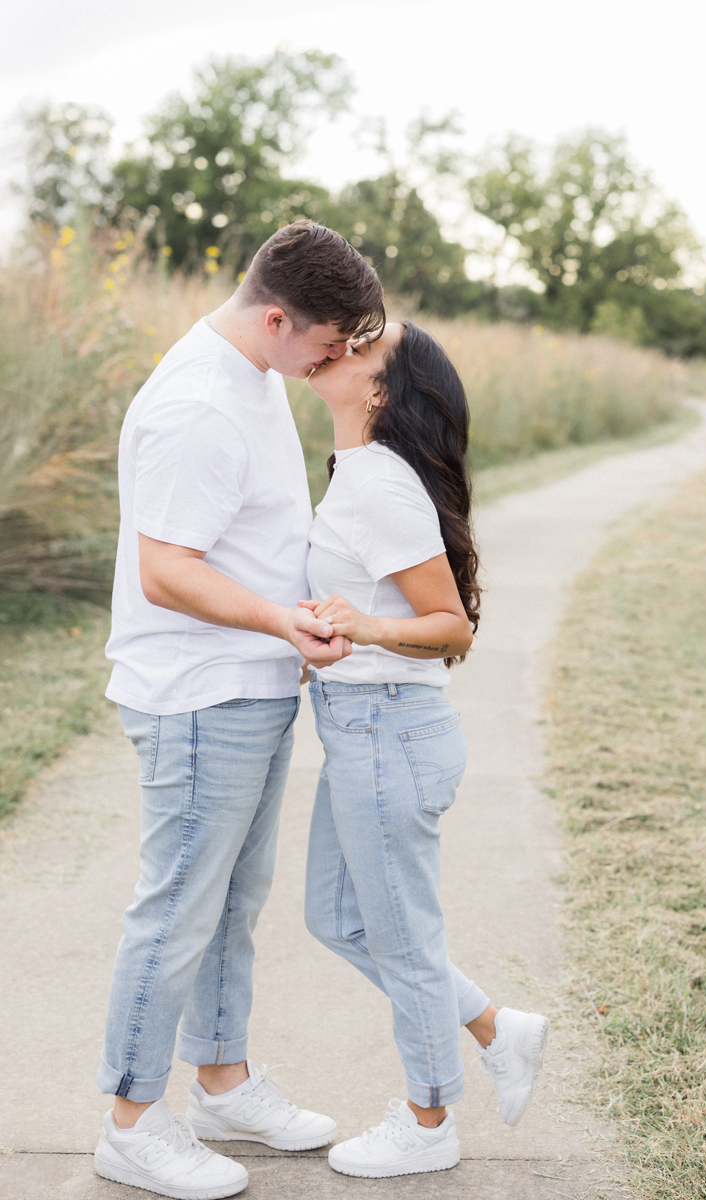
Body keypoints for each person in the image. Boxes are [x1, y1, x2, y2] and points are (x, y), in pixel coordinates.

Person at [93, 221, 383, 1200]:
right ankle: (130, 1123)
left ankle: (221, 1080)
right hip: (195, 698)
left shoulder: (255, 374)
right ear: (275, 316)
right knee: (176, 911)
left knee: (230, 906)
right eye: (326, 344)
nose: (332, 362)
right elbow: (166, 570)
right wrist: (280, 622)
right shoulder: (197, 407)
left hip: (248, 685)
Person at [302, 320, 551, 1179]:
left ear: (381, 391)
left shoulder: (382, 487)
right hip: (364, 730)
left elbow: (451, 628)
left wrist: (366, 628)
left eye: (368, 347)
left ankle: (429, 1120)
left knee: (403, 936)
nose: (344, 345)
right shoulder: (359, 476)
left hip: (390, 733)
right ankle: (493, 1028)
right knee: (336, 917)